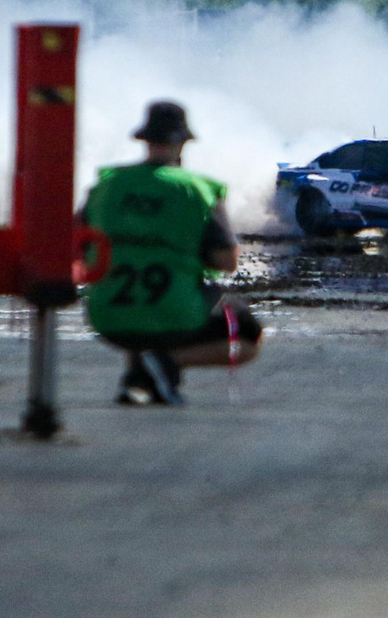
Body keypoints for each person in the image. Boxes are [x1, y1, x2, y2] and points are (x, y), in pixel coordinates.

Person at [80, 100, 262, 405]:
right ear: (182, 144)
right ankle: (166, 363)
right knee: (247, 334)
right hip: (174, 314)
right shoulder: (195, 189)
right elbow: (227, 261)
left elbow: (80, 238)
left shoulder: (108, 187)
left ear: (145, 140)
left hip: (106, 316)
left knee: (134, 279)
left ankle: (139, 377)